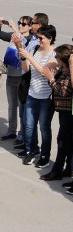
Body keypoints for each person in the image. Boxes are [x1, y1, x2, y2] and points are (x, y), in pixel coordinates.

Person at [18, 25, 57, 167]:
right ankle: (31, 150)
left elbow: (44, 71)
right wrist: (23, 57)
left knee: (44, 128)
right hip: (32, 93)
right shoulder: (35, 49)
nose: (38, 40)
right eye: (37, 37)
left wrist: (28, 57)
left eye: (41, 38)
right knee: (28, 125)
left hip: (46, 97)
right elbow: (26, 68)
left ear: (50, 38)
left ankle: (45, 156)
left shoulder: (54, 54)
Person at [0, 15, 32, 141]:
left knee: (22, 107)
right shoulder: (14, 36)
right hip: (11, 76)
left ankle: (22, 133)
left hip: (22, 78)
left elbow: (24, 45)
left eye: (24, 24)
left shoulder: (31, 39)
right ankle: (11, 130)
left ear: (30, 27)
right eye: (19, 23)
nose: (21, 25)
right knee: (11, 106)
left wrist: (15, 30)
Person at [39, 45, 72, 184]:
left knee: (63, 141)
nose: (55, 59)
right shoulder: (63, 70)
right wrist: (51, 77)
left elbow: (64, 91)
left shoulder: (70, 72)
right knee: (67, 141)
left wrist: (52, 79)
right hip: (63, 109)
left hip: (68, 111)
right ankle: (67, 168)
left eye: (57, 57)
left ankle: (57, 170)